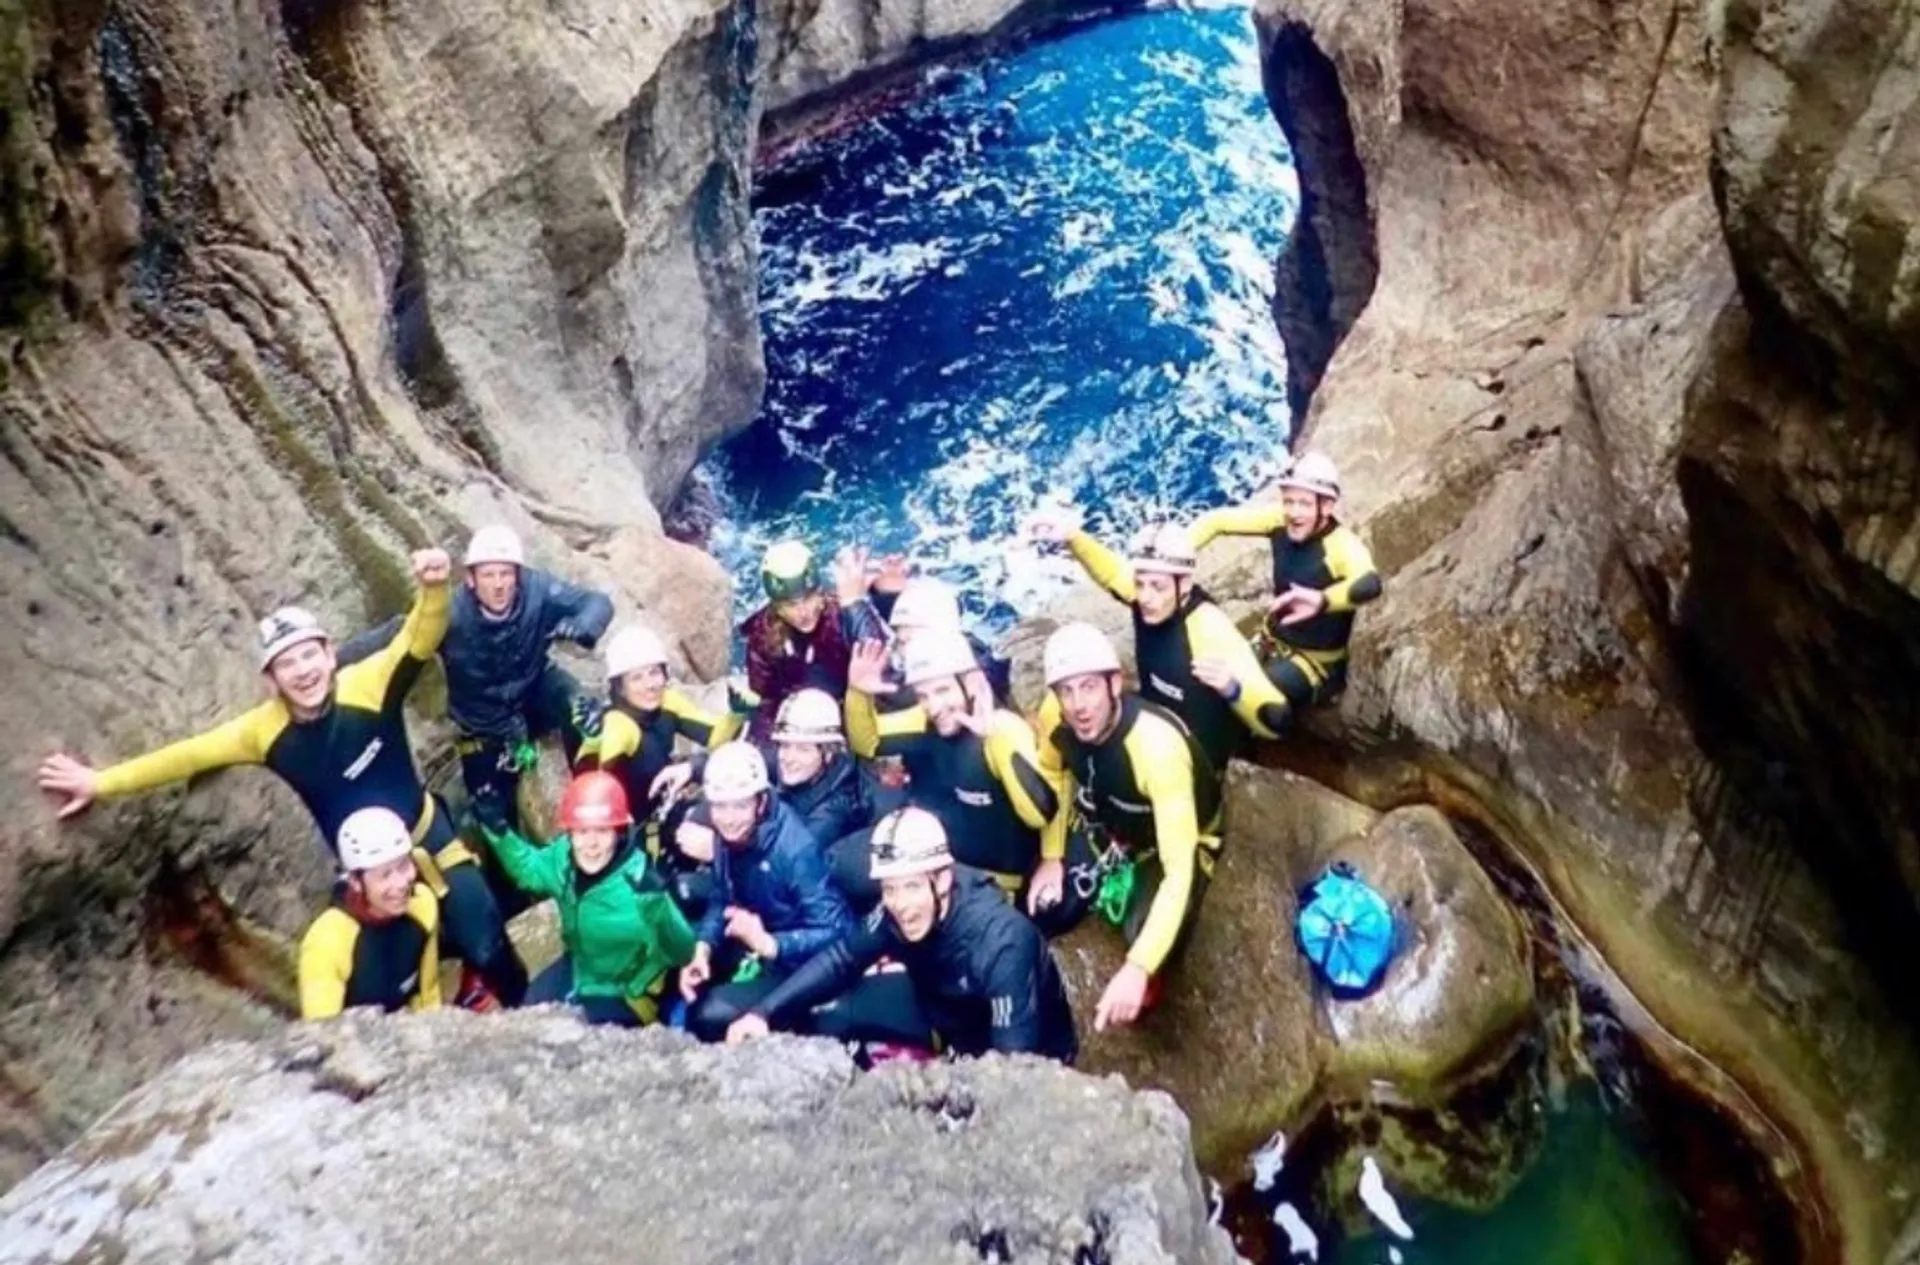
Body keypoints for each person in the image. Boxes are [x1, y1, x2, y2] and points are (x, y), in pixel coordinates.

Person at [36, 548, 528, 1009]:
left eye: (309, 655)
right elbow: (185, 756)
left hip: (424, 836)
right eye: (286, 664)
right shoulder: (264, 732)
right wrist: (99, 783)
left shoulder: (368, 683)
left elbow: (421, 636)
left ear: (330, 655)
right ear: (271, 680)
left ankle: (520, 1006)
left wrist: (434, 587)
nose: (303, 671)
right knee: (374, 973)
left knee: (485, 936)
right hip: (360, 870)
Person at [727, 807, 1077, 1062]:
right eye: (890, 889)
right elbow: (841, 960)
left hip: (1023, 1051)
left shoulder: (1002, 942)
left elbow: (1016, 1066)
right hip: (945, 1019)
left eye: (911, 887)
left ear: (942, 880)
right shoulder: (894, 911)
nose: (901, 905)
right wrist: (763, 1012)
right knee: (824, 1017)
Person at [341, 525, 614, 831]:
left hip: (535, 690)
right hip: (482, 723)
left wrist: (585, 626)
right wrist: (331, 664)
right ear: (471, 579)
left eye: (506, 574)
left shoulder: (539, 592)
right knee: (492, 810)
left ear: (518, 576)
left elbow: (597, 602)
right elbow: (399, 634)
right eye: (488, 575)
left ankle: (592, 798)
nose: (499, 585)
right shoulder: (452, 613)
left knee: (578, 708)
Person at [1028, 623, 1221, 1032]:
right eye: (1066, 691)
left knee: (1143, 932)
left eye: (1089, 688)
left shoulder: (1156, 749)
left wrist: (1138, 967)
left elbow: (1179, 870)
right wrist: (1052, 857)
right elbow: (1055, 772)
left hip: (1172, 841)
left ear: (1114, 684)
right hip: (1112, 823)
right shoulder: (1057, 718)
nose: (1078, 705)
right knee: (1048, 907)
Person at [1027, 511, 1290, 773]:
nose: (1145, 597)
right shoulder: (1151, 602)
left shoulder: (1210, 629)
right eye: (1140, 584)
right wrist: (1073, 537)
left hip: (1205, 760)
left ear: (1184, 584)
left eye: (1157, 586)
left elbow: (1276, 719)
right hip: (1157, 735)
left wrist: (1234, 690)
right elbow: (1113, 575)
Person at [839, 631, 1060, 909]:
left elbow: (1040, 814)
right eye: (923, 695)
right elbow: (866, 743)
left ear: (969, 685)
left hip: (993, 879)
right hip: (935, 860)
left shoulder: (1004, 730)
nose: (934, 706)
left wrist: (996, 737)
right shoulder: (924, 719)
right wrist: (858, 693)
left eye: (943, 690)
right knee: (838, 867)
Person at [475, 771, 696, 1027]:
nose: (591, 844)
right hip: (578, 968)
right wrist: (499, 831)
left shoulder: (641, 886)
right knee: (526, 1020)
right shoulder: (563, 859)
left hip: (627, 993)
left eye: (602, 831)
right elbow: (530, 871)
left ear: (619, 833)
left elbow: (683, 952)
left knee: (570, 1034)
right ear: (570, 835)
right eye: (582, 832)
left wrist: (659, 906)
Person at [678, 742, 852, 1041]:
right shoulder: (731, 832)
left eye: (740, 805)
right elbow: (722, 897)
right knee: (680, 968)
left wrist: (771, 944)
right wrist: (702, 949)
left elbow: (839, 930)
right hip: (759, 939)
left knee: (708, 1014)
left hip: (797, 963)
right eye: (719, 806)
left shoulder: (795, 851)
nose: (729, 818)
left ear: (759, 803)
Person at [1187, 452, 1382, 710]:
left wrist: (1322, 601)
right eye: (1288, 501)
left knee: (1248, 694)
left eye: (1304, 503)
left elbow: (1370, 584)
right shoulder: (1279, 521)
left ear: (1326, 506)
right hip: (1271, 639)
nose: (1293, 512)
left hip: (1315, 664)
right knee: (1207, 680)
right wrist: (1175, 555)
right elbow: (1218, 522)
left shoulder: (1342, 547)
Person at [578, 624, 741, 821]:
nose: (650, 685)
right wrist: (593, 741)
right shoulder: (618, 724)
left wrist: (738, 714)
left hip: (664, 812)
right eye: (636, 678)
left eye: (655, 672)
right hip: (628, 828)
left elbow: (715, 738)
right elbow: (594, 786)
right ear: (620, 689)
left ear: (665, 674)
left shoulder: (668, 702)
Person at [298, 807, 442, 1020]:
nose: (401, 884)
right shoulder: (326, 943)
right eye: (385, 875)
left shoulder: (423, 905)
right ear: (356, 882)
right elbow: (324, 1033)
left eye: (404, 866)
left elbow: (428, 997)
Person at [739, 540, 885, 742]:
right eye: (791, 604)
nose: (803, 612)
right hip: (798, 723)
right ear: (776, 606)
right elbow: (765, 702)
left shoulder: (842, 616)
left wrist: (855, 605)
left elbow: (879, 660)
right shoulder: (764, 634)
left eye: (808, 598)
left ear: (819, 592)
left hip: (852, 712)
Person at [765, 688, 872, 847]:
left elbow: (793, 854)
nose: (788, 758)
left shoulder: (834, 812)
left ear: (828, 754)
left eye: (803, 749)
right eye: (785, 745)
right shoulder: (806, 770)